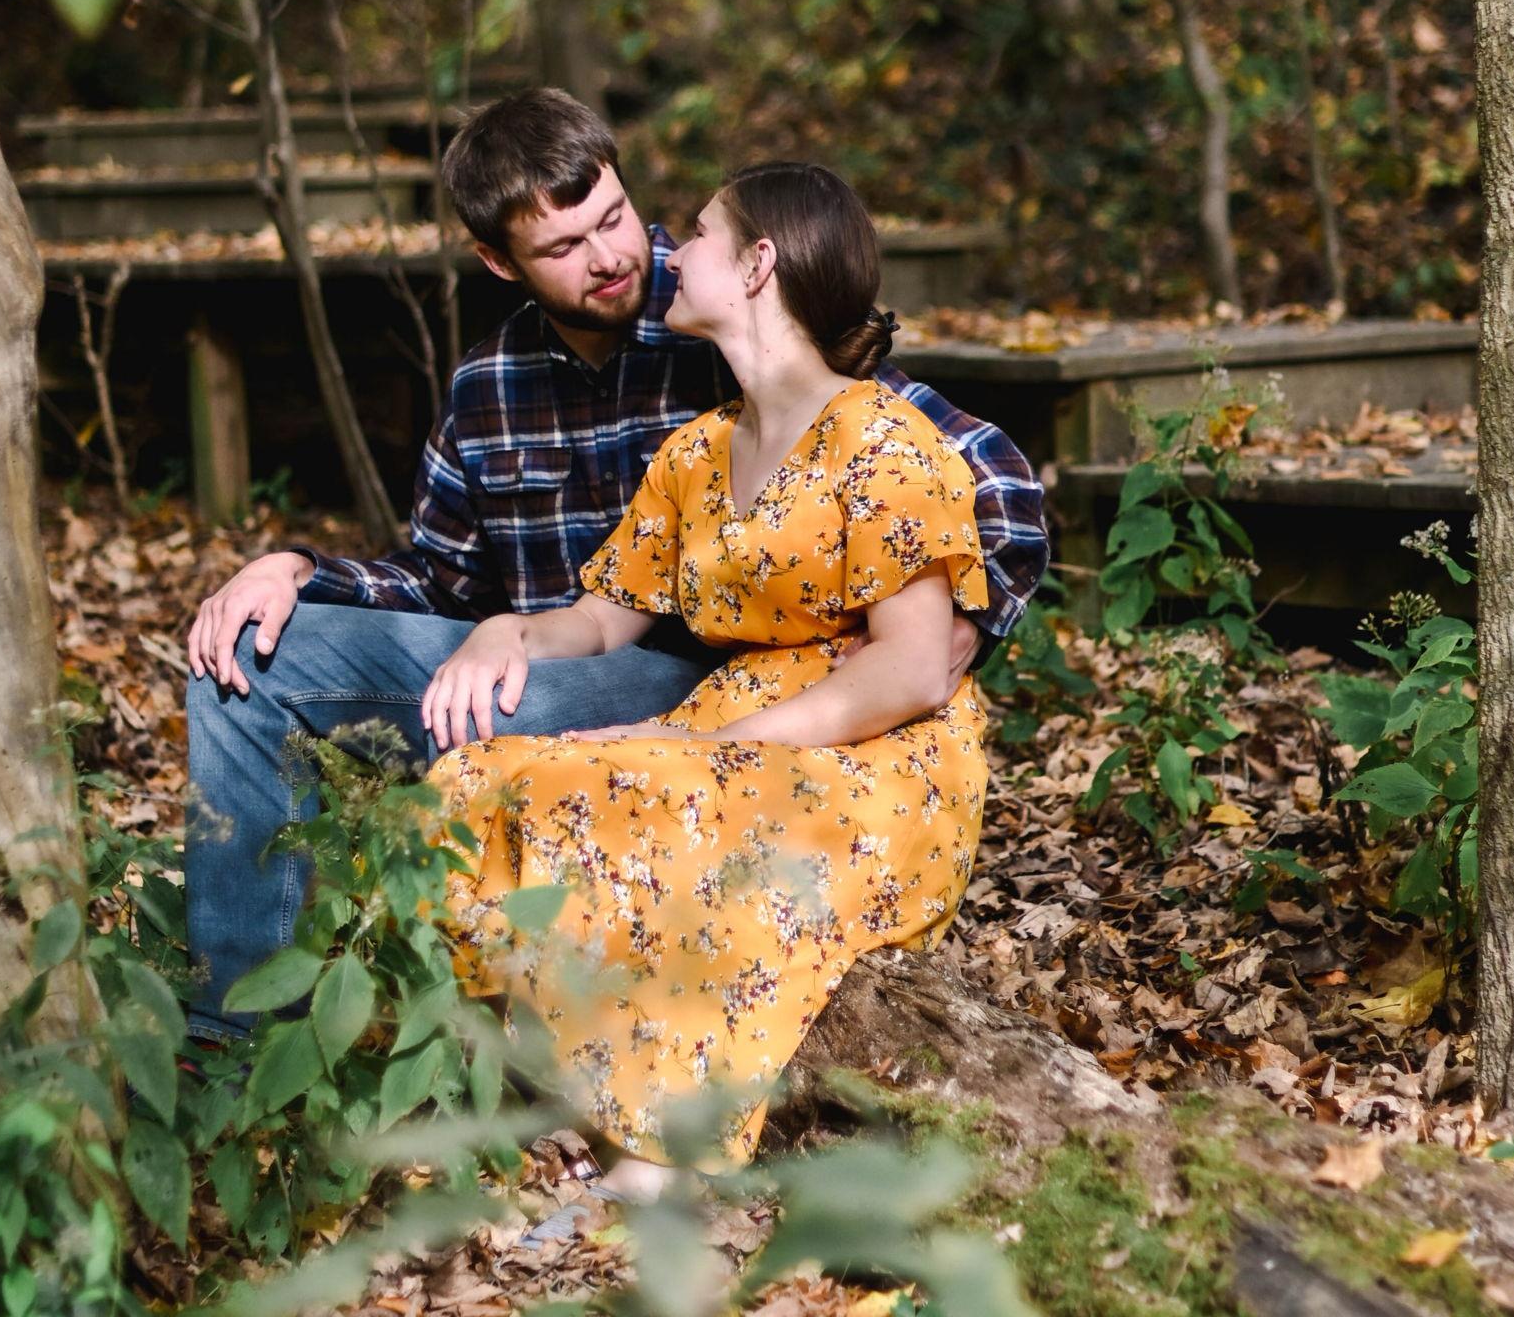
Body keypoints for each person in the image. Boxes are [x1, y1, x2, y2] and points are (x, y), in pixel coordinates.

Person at [181, 89, 1047, 1044]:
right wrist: (296, 570)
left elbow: (977, 471)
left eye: (614, 217)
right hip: (571, 646)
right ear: (499, 261)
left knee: (496, 736)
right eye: (564, 246)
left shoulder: (731, 302)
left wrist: (949, 625)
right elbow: (440, 579)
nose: (612, 257)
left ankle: (503, 1033)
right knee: (247, 661)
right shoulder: (491, 388)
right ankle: (233, 1040)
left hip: (713, 675)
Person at [425, 163, 993, 1189]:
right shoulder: (697, 451)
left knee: (659, 792)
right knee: (475, 783)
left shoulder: (885, 442)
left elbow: (912, 670)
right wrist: (505, 631)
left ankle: (659, 1149)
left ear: (758, 263)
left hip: (876, 751)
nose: (671, 252)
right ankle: (515, 1093)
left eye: (696, 233)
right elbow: (605, 614)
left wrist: (709, 745)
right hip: (738, 713)